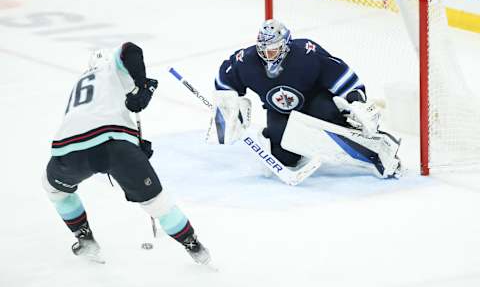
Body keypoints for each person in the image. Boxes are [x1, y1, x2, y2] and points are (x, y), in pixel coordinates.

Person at [43, 42, 211, 264]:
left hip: (70, 147)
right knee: (156, 203)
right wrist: (141, 84)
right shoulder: (111, 67)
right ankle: (195, 248)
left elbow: (92, 117)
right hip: (114, 144)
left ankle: (85, 239)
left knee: (55, 190)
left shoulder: (81, 82)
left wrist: (134, 143)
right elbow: (130, 50)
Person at [208, 19, 401, 180]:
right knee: (284, 157)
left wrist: (356, 100)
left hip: (313, 101)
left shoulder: (306, 53)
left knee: (330, 122)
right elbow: (225, 80)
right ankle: (272, 137)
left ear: (285, 45)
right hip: (279, 111)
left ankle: (367, 142)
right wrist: (229, 105)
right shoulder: (246, 60)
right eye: (263, 50)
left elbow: (339, 73)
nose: (267, 56)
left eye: (273, 50)